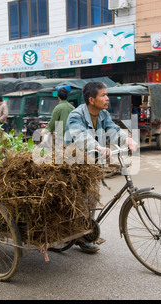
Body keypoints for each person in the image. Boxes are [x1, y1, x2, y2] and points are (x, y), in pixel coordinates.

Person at [64, 81, 138, 253]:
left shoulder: (103, 114)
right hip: (74, 163)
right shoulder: (76, 116)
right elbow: (81, 136)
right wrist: (97, 147)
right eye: (103, 95)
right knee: (82, 199)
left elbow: (112, 130)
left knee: (91, 199)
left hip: (93, 162)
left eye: (106, 94)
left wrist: (126, 138)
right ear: (92, 99)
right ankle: (81, 234)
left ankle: (85, 231)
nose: (107, 98)